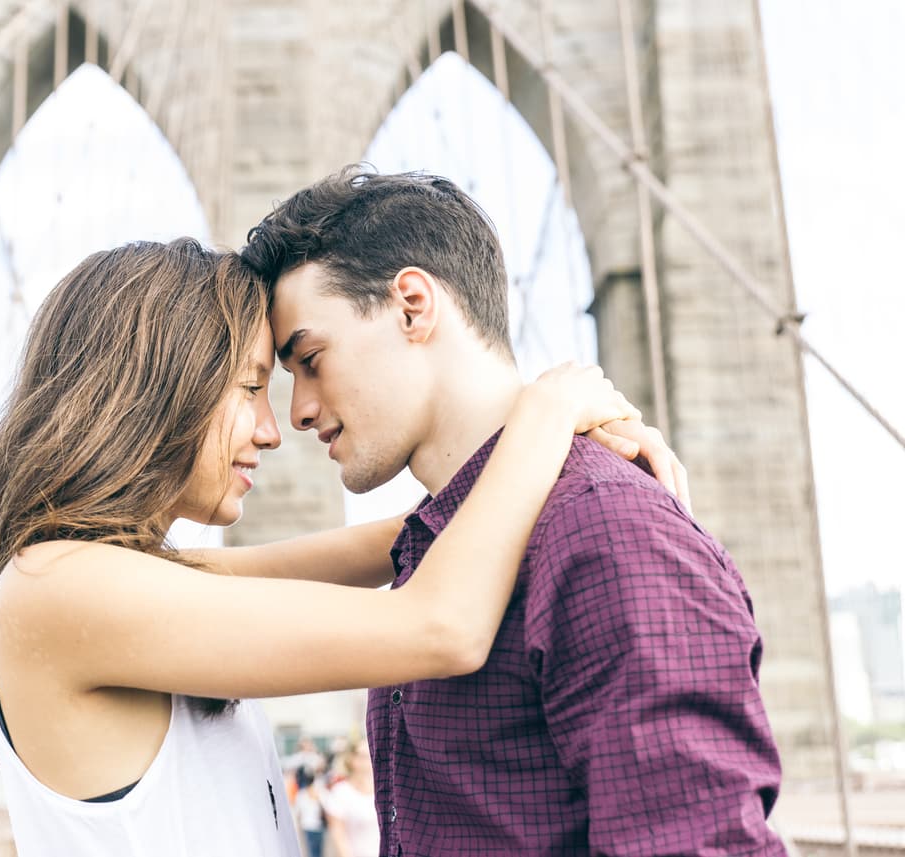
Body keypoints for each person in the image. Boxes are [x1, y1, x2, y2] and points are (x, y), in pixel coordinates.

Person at [0, 237, 676, 856]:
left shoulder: (115, 583)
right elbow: (441, 626)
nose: (273, 429)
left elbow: (413, 536)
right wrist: (546, 409)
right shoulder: (56, 590)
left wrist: (567, 465)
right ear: (156, 387)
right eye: (250, 387)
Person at [240, 167, 788, 856]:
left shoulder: (609, 533)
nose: (297, 412)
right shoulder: (434, 542)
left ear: (412, 306)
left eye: (312, 359)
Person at [323, 739, 378, 857]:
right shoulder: (340, 792)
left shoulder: (383, 792)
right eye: (363, 756)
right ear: (352, 759)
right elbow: (339, 835)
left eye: (371, 754)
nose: (368, 760)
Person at [293, 767, 326, 857]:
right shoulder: (319, 792)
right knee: (318, 852)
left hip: (308, 825)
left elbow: (297, 812)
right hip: (318, 825)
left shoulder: (301, 794)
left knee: (313, 851)